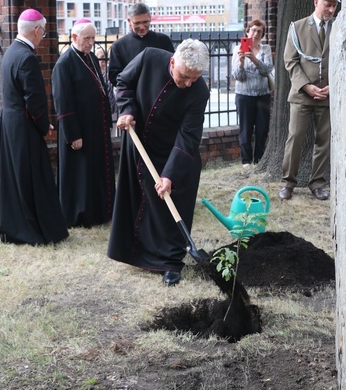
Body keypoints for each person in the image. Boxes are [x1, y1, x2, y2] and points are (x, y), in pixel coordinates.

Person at [107, 38, 209, 286]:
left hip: (174, 151)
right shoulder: (148, 57)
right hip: (139, 141)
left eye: (193, 79)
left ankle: (171, 262)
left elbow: (188, 137)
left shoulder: (199, 91)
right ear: (173, 62)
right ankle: (135, 253)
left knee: (172, 204)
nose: (187, 84)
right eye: (184, 76)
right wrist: (127, 109)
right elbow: (123, 82)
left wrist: (170, 174)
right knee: (137, 199)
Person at [0, 8, 69, 246]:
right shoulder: (27, 57)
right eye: (44, 31)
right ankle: (38, 230)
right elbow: (35, 99)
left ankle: (16, 227)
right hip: (25, 125)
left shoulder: (10, 52)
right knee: (33, 179)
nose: (43, 36)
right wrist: (43, 125)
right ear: (37, 30)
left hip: (11, 124)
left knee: (17, 177)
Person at [279, 0, 343, 201]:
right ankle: (288, 183)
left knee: (323, 141)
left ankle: (317, 183)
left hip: (328, 95)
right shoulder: (297, 27)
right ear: (316, 2)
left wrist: (334, 86)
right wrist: (307, 86)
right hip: (302, 94)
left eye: (334, 6)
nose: (331, 10)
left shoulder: (339, 28)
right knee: (295, 138)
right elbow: (290, 61)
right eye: (327, 5)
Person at [52, 19, 116, 228]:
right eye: (86, 38)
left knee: (96, 171)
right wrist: (73, 135)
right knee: (81, 174)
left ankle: (101, 211)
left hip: (96, 127)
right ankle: (81, 215)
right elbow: (63, 103)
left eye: (93, 38)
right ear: (74, 37)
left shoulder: (91, 59)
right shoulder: (65, 63)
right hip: (79, 130)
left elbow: (101, 91)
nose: (91, 42)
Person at [232, 19, 274, 166]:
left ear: (262, 35)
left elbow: (267, 70)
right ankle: (246, 161)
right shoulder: (237, 49)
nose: (255, 34)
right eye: (253, 30)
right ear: (247, 31)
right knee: (245, 129)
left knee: (262, 129)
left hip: (262, 95)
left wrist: (254, 59)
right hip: (244, 95)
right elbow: (238, 77)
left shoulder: (265, 49)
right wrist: (242, 62)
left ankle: (259, 160)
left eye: (259, 32)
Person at [108, 2, 175, 86]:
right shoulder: (118, 46)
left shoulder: (163, 40)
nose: (142, 27)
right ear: (129, 21)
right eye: (137, 23)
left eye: (145, 22)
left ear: (150, 19)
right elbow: (114, 77)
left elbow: (173, 67)